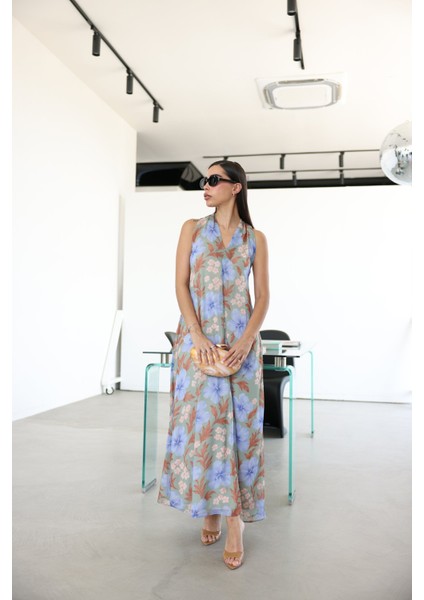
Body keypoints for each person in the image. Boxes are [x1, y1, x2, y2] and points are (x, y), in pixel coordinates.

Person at [157, 160, 270, 570]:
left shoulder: (255, 238)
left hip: (241, 349)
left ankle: (235, 521)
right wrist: (196, 335)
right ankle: (209, 508)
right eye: (205, 180)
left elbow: (263, 297)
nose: (206, 186)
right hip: (198, 346)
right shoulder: (191, 229)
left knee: (240, 434)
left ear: (236, 187)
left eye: (214, 179)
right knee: (203, 432)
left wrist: (245, 341)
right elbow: (180, 284)